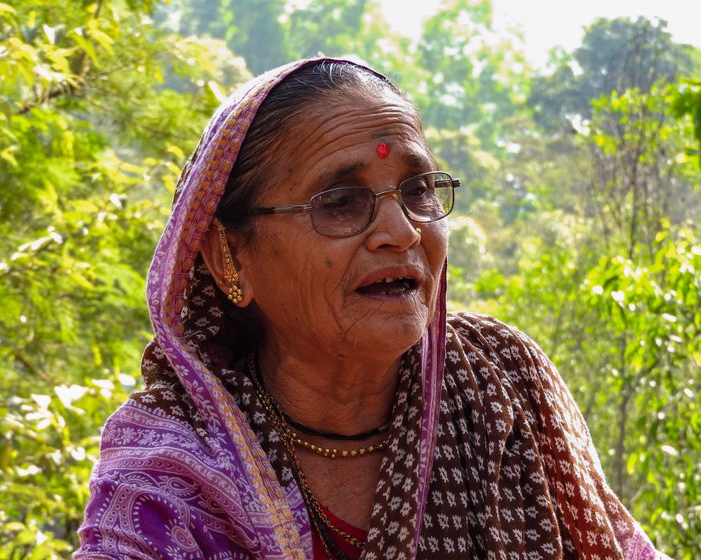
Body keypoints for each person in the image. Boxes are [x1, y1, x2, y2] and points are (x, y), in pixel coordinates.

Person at [75, 57, 667, 559]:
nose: (401, 232)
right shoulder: (167, 481)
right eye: (339, 201)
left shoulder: (501, 383)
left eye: (418, 191)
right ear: (228, 255)